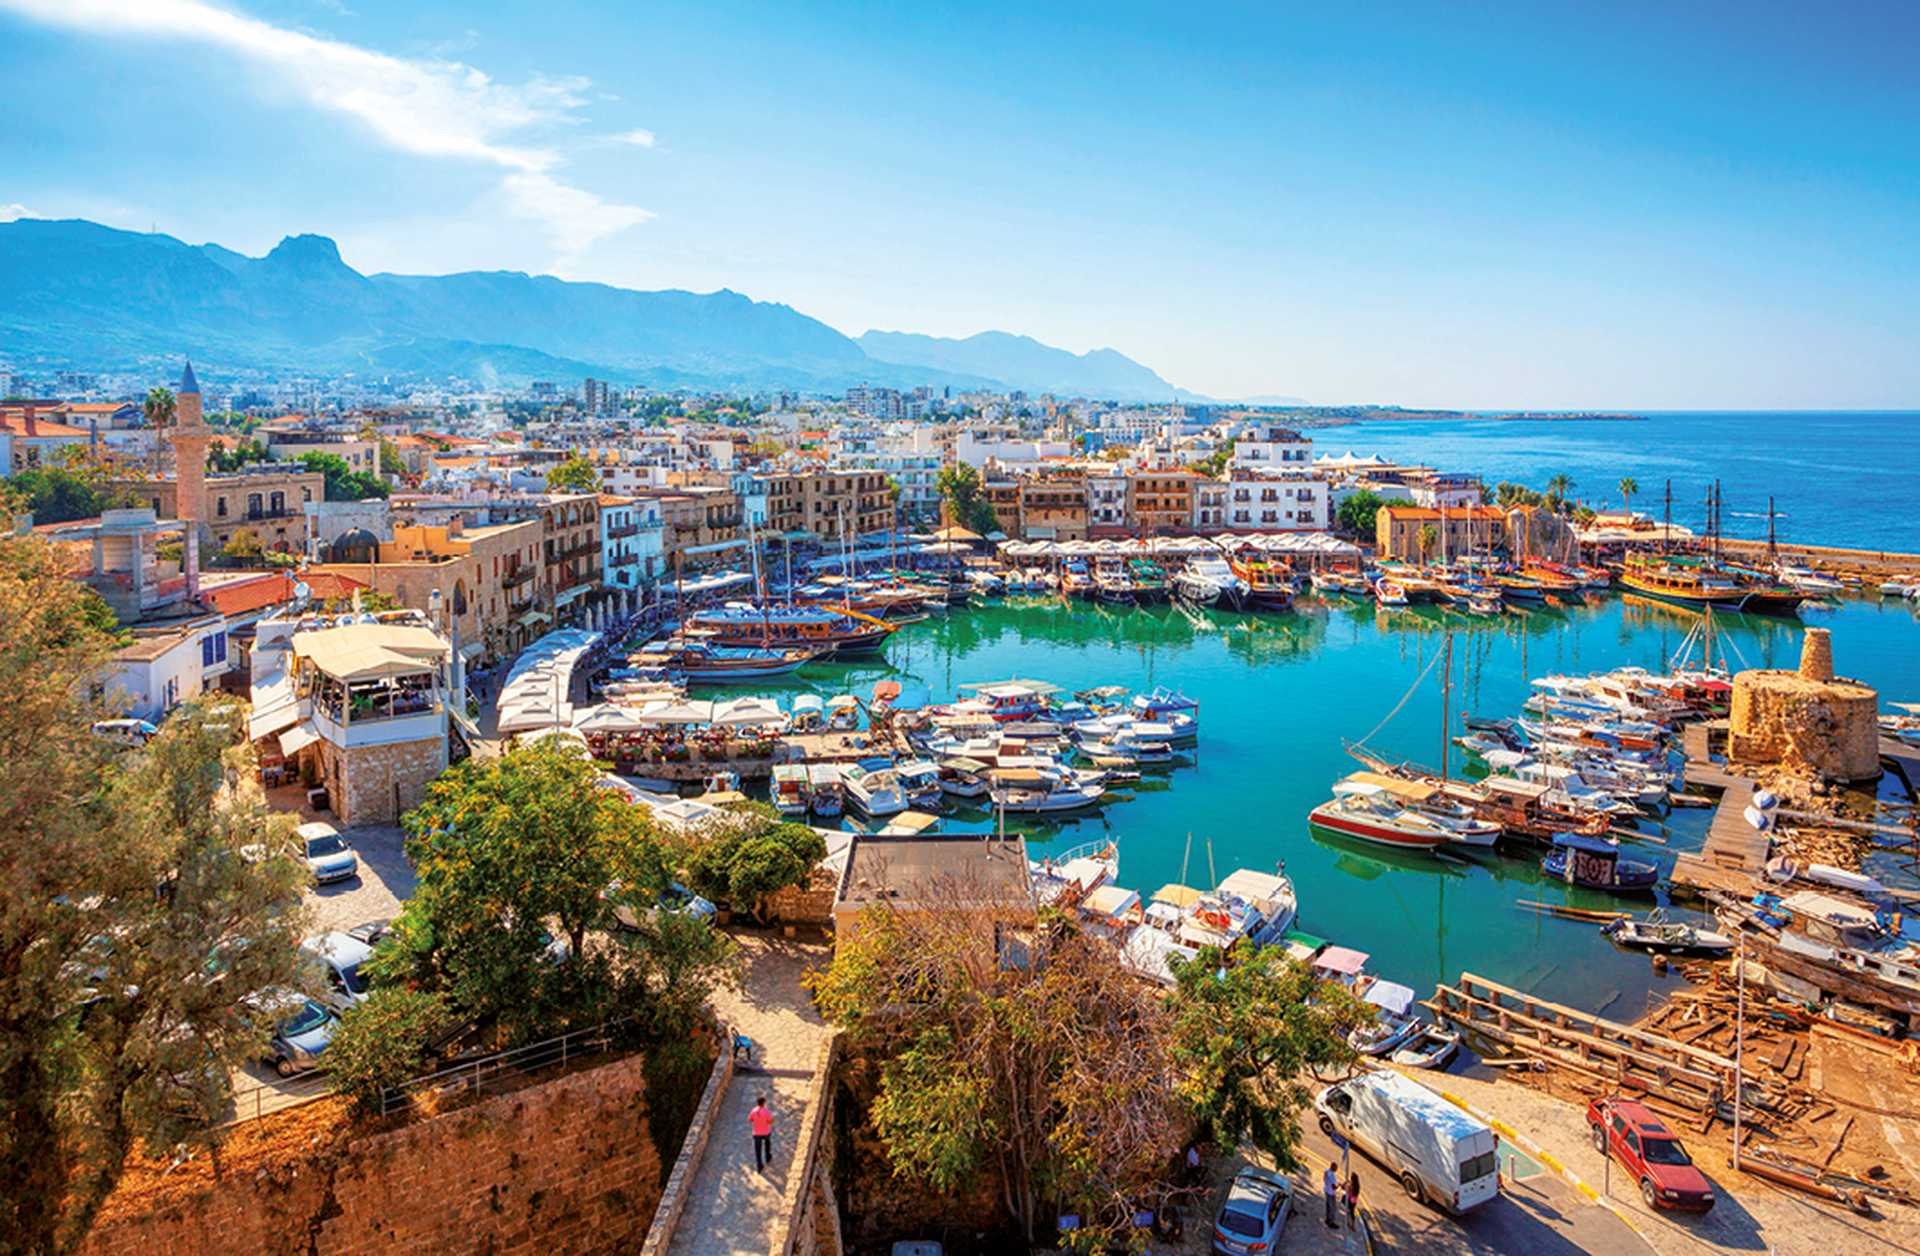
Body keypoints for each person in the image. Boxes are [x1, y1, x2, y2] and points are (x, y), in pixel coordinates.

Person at [750, 1095, 774, 1172]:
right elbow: (770, 1121)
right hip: (766, 1132)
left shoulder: (753, 1111)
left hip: (756, 1133)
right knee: (767, 1144)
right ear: (763, 1103)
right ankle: (768, 1157)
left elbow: (750, 1119)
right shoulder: (766, 1111)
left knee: (758, 1150)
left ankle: (759, 1165)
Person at [1323, 1162, 1338, 1228]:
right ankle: (1331, 1223)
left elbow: (1324, 1179)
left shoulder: (1326, 1171)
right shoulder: (1332, 1175)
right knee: (1333, 1208)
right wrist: (1339, 1185)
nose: (1337, 1169)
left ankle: (1327, 1219)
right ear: (1332, 1167)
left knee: (1328, 1207)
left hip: (1326, 1190)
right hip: (1331, 1193)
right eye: (1336, 1167)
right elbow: (1334, 1187)